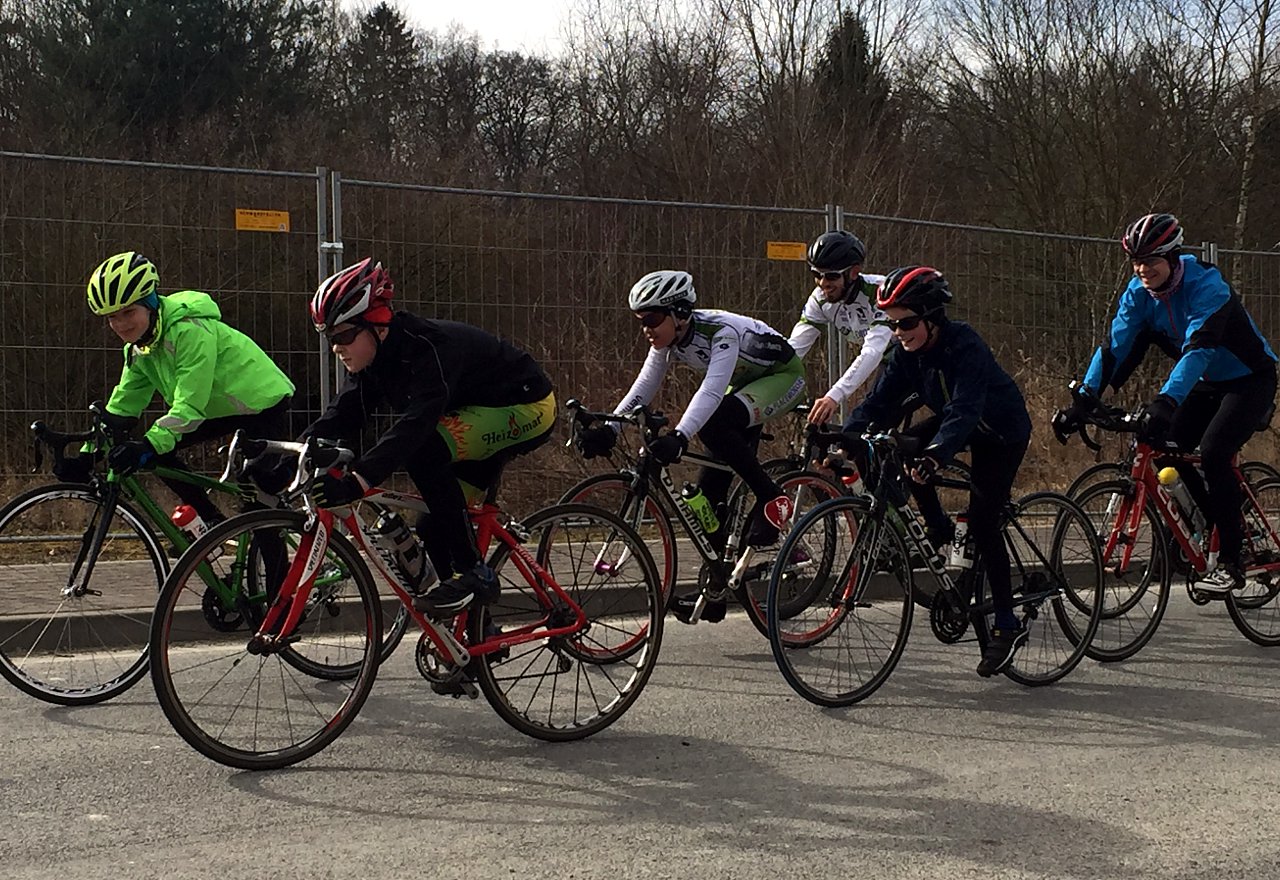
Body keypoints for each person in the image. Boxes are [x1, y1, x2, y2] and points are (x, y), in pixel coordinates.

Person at [304, 257, 556, 616]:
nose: (335, 347)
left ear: (377, 325)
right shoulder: (374, 359)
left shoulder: (428, 349)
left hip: (528, 405)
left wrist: (359, 480)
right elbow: (344, 414)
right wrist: (292, 451)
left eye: (342, 335)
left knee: (425, 449)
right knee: (434, 526)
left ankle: (476, 574)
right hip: (477, 414)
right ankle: (471, 636)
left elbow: (416, 426)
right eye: (330, 338)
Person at [1053, 212, 1278, 596]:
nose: (1142, 269)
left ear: (1173, 258)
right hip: (1206, 383)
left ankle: (1232, 560)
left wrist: (1165, 401)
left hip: (1249, 379)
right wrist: (1085, 398)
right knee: (1164, 448)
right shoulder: (1139, 292)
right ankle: (1213, 522)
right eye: (1136, 261)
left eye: (1151, 260)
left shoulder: (1208, 285)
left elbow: (1197, 350)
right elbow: (1115, 348)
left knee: (1213, 451)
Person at [576, 269, 806, 623]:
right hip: (743, 386)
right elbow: (642, 389)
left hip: (781, 378)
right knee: (705, 499)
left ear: (679, 313)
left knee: (714, 424)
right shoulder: (667, 342)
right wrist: (610, 428)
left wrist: (681, 436)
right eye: (640, 320)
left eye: (652, 319)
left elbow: (712, 391)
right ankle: (714, 593)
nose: (646, 329)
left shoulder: (720, 332)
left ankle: (771, 496)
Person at [839, 266, 1032, 677]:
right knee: (904, 456)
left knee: (983, 522)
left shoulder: (965, 345)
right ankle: (940, 529)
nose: (898, 332)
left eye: (906, 322)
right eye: (891, 324)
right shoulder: (907, 353)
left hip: (999, 431)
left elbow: (965, 409)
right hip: (955, 421)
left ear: (931, 316)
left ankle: (1006, 623)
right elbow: (879, 404)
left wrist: (936, 454)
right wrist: (845, 437)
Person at [60, 251, 295, 517]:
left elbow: (190, 404)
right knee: (159, 452)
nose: (121, 325)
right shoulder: (141, 347)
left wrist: (148, 445)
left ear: (150, 303)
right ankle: (211, 524)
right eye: (112, 317)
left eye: (128, 312)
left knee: (257, 497)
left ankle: (279, 548)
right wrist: (88, 455)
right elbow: (121, 408)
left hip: (260, 403)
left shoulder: (190, 331)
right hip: (215, 409)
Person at [787, 230, 893, 426]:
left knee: (870, 416)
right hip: (885, 359)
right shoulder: (819, 299)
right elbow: (795, 348)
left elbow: (873, 351)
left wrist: (834, 396)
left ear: (853, 272)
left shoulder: (881, 292)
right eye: (816, 275)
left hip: (911, 357)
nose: (823, 283)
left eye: (831, 276)